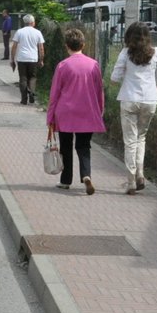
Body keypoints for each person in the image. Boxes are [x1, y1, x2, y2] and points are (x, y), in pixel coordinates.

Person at [46, 26, 106, 194]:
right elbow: (99, 90)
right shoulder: (93, 65)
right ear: (83, 45)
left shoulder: (62, 66)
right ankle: (86, 175)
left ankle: (65, 180)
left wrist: (50, 117)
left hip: (65, 113)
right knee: (84, 146)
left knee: (66, 147)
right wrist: (99, 110)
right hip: (87, 112)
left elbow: (54, 94)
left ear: (67, 45)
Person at [110, 21, 157, 193]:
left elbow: (114, 78)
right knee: (141, 137)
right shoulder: (156, 52)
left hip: (129, 99)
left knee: (130, 141)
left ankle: (131, 181)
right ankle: (141, 174)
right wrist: (154, 93)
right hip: (150, 100)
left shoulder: (125, 53)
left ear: (129, 37)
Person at [10, 14, 45, 106]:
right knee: (32, 77)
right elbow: (41, 48)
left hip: (21, 58)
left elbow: (14, 47)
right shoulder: (37, 32)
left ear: (24, 23)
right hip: (33, 59)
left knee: (23, 78)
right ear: (33, 23)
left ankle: (24, 99)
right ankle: (32, 92)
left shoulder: (19, 32)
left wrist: (12, 59)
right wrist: (41, 59)